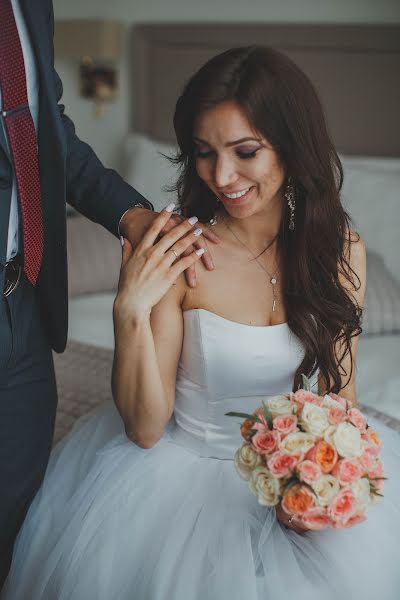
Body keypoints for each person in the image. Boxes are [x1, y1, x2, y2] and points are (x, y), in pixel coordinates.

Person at [3, 46, 400, 600]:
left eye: (245, 152)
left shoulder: (340, 251)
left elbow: (342, 401)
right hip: (176, 483)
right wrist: (129, 311)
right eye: (205, 153)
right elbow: (143, 429)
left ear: (290, 146)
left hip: (293, 484)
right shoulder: (181, 254)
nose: (223, 176)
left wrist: (315, 483)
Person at [0, 0, 218, 587]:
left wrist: (133, 215)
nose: (225, 177)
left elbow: (47, 135)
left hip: (23, 304)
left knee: (16, 527)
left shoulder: (29, 8)